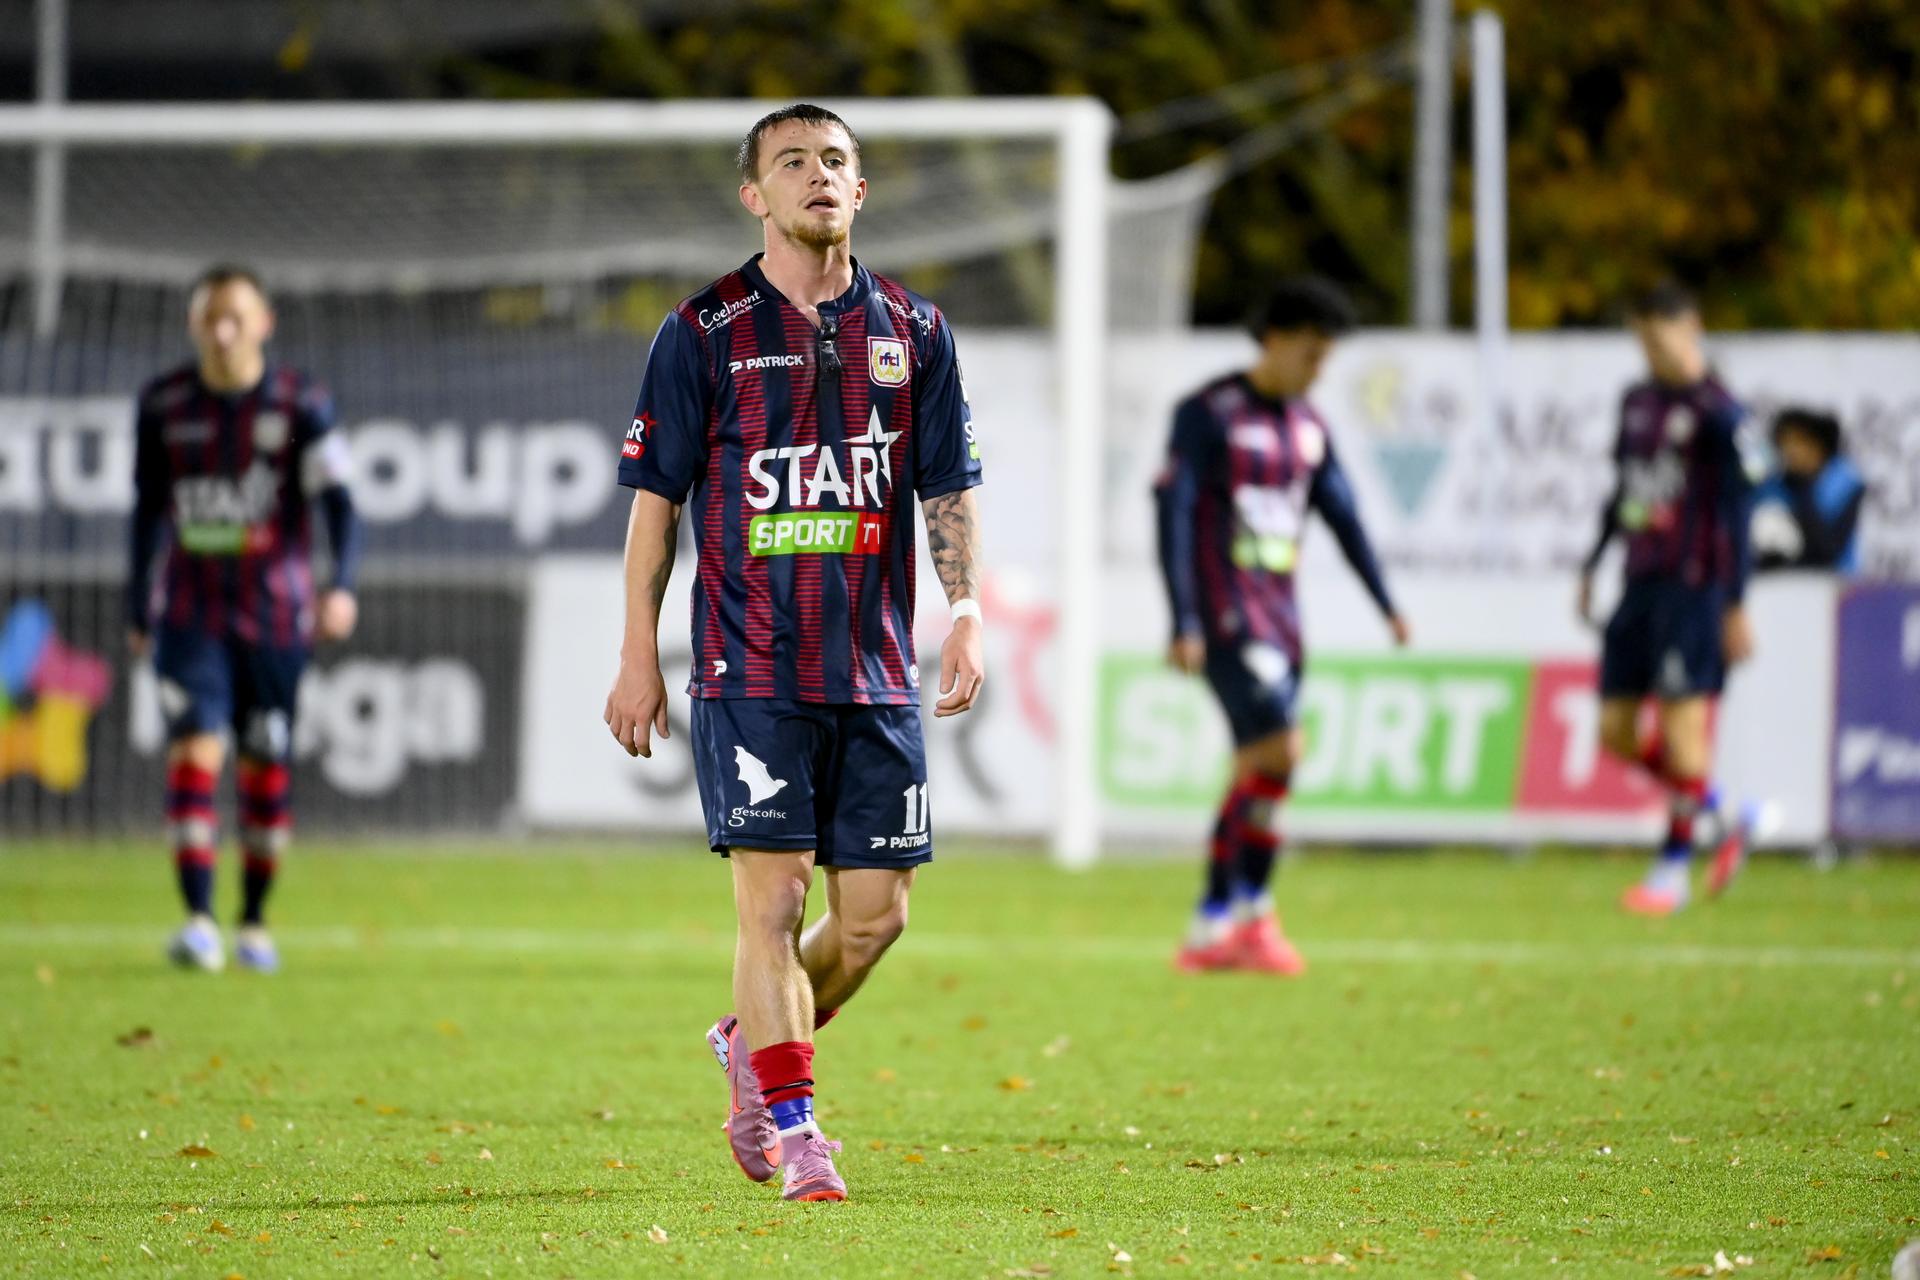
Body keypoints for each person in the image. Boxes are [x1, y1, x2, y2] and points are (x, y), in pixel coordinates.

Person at [602, 104, 985, 1204]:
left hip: (872, 672)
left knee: (874, 918)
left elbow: (946, 486)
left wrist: (968, 611)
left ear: (860, 192)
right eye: (791, 163)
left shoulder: (914, 331)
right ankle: (799, 1125)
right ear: (755, 197)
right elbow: (655, 509)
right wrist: (640, 653)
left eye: (835, 162)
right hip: (750, 667)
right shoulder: (704, 331)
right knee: (770, 906)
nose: (817, 176)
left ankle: (750, 1046)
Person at [1153, 277, 1409, 975]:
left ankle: (1209, 927)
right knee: (1284, 752)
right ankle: (1255, 915)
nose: (1318, 370)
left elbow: (1345, 517)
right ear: (1274, 340)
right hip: (1228, 617)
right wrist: (1183, 618)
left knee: (1255, 768)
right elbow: (1173, 516)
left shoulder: (1308, 428)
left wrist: (1385, 603)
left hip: (1283, 622)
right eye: (1310, 353)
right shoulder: (1209, 414)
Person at [127, 264, 363, 973]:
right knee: (196, 749)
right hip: (190, 616)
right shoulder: (164, 404)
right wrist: (136, 605)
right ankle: (199, 921)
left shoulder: (301, 405)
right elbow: (144, 512)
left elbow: (342, 504)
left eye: (236, 317)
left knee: (264, 765)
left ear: (265, 323)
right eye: (210, 318)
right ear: (195, 325)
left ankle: (254, 923)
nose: (223, 331)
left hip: (276, 620)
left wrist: (340, 586)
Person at [1577, 281, 1770, 915]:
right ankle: (1718, 811)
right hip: (1639, 581)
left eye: (1662, 330)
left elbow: (1742, 510)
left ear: (1692, 325)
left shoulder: (1721, 411)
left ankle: (1672, 869)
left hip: (1696, 587)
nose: (1653, 344)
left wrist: (1737, 602)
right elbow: (1624, 487)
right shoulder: (1635, 402)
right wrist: (1592, 561)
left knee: (1686, 734)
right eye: (1642, 333)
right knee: (1616, 731)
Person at [1750, 407, 1866, 573]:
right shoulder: (1772, 485)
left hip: (1834, 586)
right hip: (1778, 586)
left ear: (1821, 445)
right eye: (1785, 441)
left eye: (1801, 441)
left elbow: (1827, 552)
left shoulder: (1846, 483)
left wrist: (1803, 487)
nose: (1792, 449)